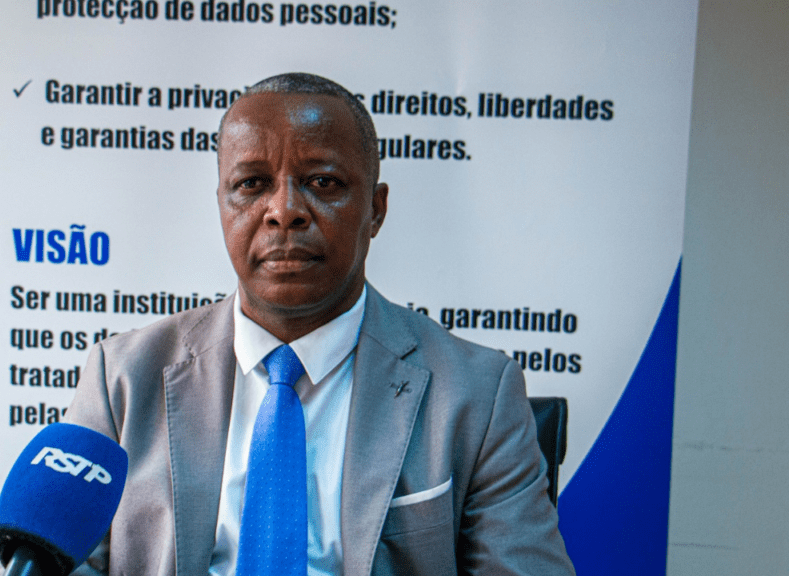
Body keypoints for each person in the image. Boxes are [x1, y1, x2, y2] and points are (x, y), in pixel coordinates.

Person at [61, 73, 575, 575]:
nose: (284, 211)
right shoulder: (122, 378)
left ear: (376, 210)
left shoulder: (477, 394)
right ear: (222, 204)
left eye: (322, 182)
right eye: (251, 184)